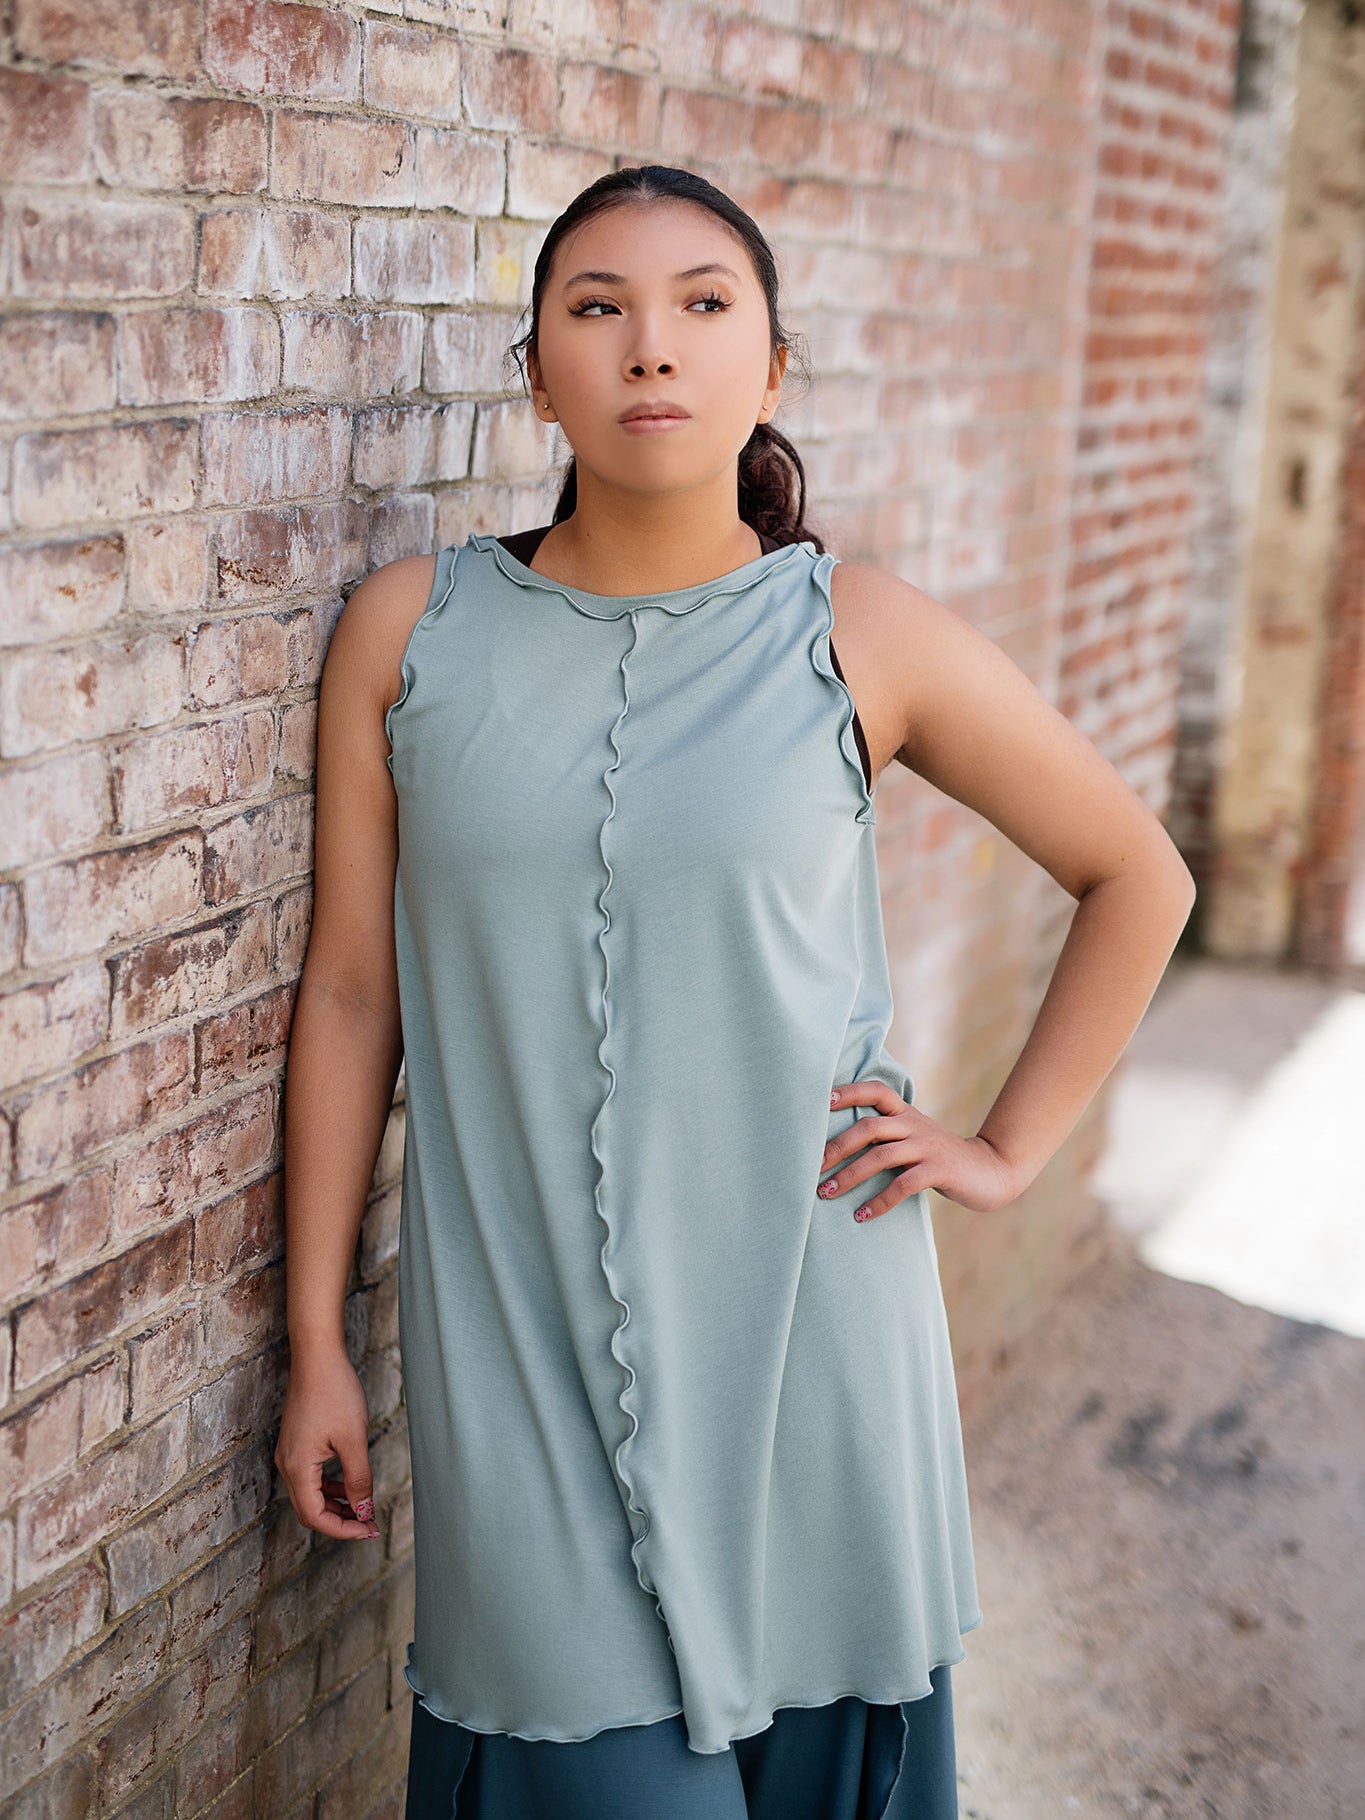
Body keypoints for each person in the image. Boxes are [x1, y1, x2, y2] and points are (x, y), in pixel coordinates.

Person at [274, 164, 1196, 1819]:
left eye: (703, 305)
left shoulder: (858, 635)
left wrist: (1002, 1150)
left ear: (768, 371)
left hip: (812, 1348)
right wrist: (316, 1344)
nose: (652, 345)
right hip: (518, 1364)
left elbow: (1138, 874)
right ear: (536, 371)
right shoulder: (410, 631)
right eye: (599, 308)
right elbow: (352, 996)